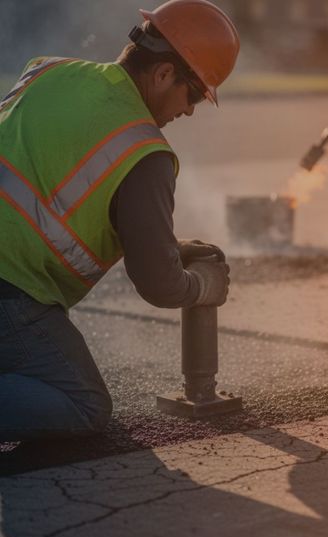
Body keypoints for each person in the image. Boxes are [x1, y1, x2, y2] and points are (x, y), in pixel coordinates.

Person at [0, 0, 239, 441]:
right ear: (165, 73)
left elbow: (41, 180)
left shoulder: (50, 70)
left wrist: (164, 244)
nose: (188, 112)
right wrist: (205, 285)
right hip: (10, 291)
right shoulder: (143, 152)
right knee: (84, 404)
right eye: (194, 96)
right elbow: (160, 286)